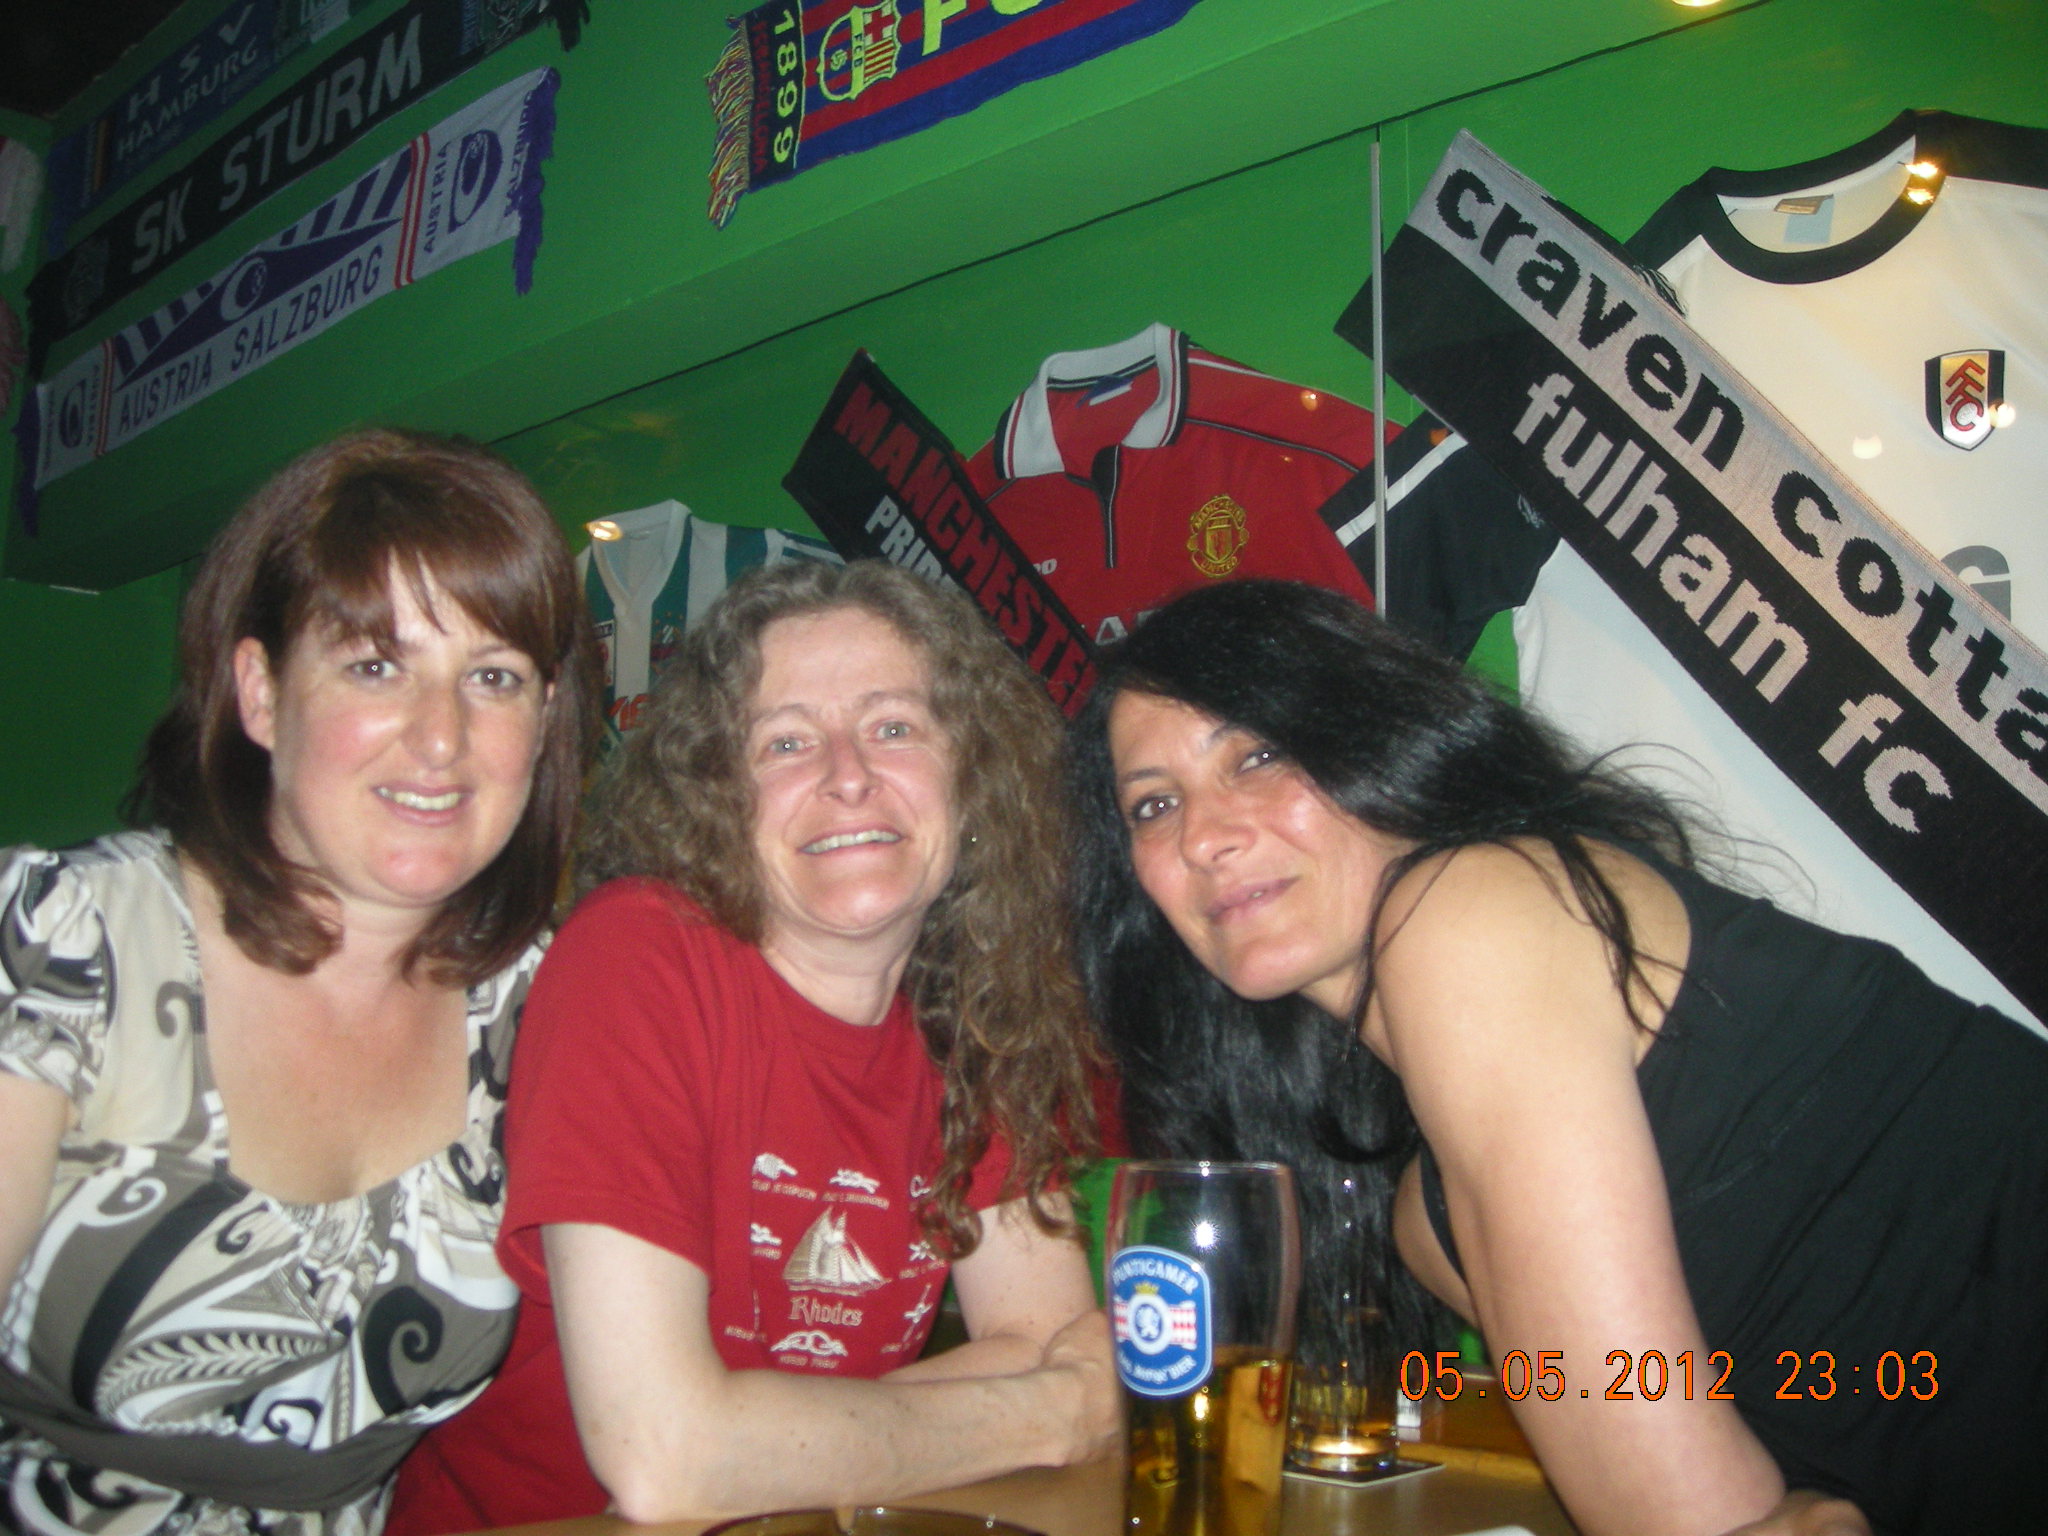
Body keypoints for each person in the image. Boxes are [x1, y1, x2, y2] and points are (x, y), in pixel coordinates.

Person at [1066, 579, 2047, 1536]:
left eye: (1257, 755)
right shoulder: (1426, 1224)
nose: (1203, 837)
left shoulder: (1474, 910)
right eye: (1152, 806)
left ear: (1370, 741)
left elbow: (1682, 1514)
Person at [389, 559, 1119, 1531]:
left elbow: (1044, 1341)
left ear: (972, 777)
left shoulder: (982, 1009)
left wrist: (759, 1442)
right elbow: (663, 1460)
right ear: (719, 798)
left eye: (894, 727)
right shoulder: (637, 955)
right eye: (786, 742)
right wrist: (1045, 1416)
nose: (848, 775)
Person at [0, 429, 600, 1536]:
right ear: (260, 693)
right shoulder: (64, 939)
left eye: (494, 678)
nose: (442, 737)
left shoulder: (540, 1005)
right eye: (375, 665)